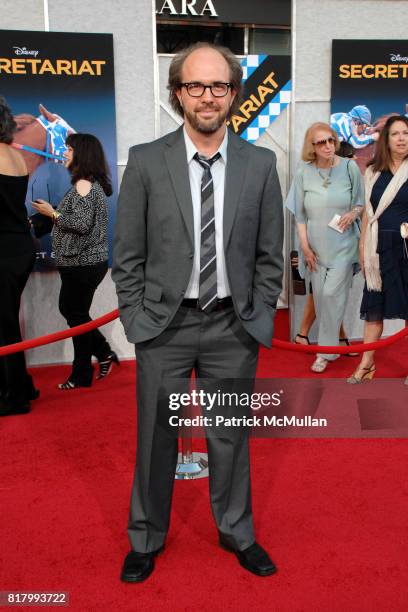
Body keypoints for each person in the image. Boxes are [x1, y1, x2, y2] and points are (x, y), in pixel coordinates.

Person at [112, 42, 283, 582]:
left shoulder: (260, 164)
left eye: (219, 86)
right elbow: (128, 256)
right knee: (155, 437)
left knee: (230, 437)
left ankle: (238, 532)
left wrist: (256, 318)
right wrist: (138, 319)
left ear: (233, 93)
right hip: (164, 327)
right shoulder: (145, 160)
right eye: (195, 86)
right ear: (177, 93)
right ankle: (146, 537)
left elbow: (269, 255)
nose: (207, 97)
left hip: (234, 326)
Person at [33, 133, 118, 389]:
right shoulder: (86, 184)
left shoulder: (83, 185)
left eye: (69, 149)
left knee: (75, 315)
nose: (64, 153)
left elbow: (79, 225)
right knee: (74, 313)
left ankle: (83, 372)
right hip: (82, 263)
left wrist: (52, 212)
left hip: (83, 264)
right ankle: (102, 354)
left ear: (81, 154)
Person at [289, 122, 364, 373]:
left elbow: (360, 204)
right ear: (312, 147)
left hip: (344, 246)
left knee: (331, 294)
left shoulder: (350, 167)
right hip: (315, 250)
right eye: (322, 142)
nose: (329, 146)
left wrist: (353, 214)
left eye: (331, 140)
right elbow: (299, 216)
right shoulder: (303, 172)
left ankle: (324, 353)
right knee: (321, 299)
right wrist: (305, 248)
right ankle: (334, 345)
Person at [347, 115, 408, 384]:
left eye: (406, 133)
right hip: (378, 249)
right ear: (386, 139)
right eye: (395, 133)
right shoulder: (372, 171)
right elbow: (367, 215)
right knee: (374, 308)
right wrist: (362, 247)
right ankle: (367, 364)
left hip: (406, 249)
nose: (402, 138)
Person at [0, 97, 38, 417]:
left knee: (5, 325)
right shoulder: (16, 156)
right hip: (20, 247)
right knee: (7, 319)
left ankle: (16, 397)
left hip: (4, 251)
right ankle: (21, 384)